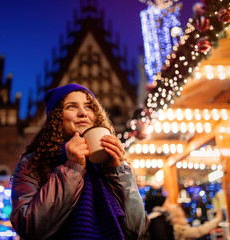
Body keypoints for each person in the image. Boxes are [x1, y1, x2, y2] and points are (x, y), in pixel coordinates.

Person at [10, 83, 149, 240]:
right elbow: (28, 226)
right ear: (56, 117)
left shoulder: (107, 165)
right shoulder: (34, 162)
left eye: (89, 107)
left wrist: (118, 171)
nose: (83, 113)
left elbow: (137, 230)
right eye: (71, 107)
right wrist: (73, 169)